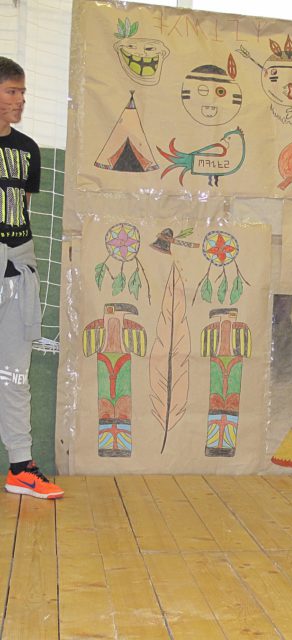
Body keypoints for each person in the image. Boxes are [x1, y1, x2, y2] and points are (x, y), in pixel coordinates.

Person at [0, 56, 63, 499]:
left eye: (22, 92)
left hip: (18, 266)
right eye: (12, 91)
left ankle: (21, 467)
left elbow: (21, 206)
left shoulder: (27, 149)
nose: (21, 100)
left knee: (13, 372)